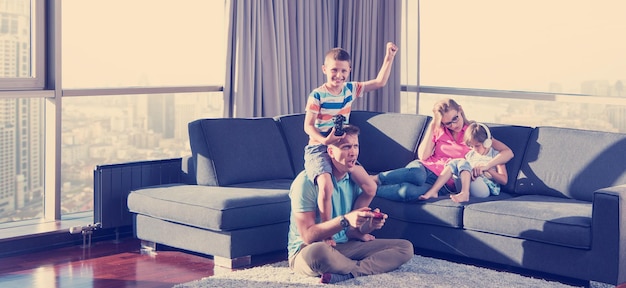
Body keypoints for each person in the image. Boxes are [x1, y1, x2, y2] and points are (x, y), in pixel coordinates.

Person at [288, 124, 414, 284]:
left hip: (344, 246)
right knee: (320, 252)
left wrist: (369, 224)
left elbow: (353, 232)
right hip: (306, 250)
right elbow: (308, 236)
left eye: (355, 146)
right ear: (331, 152)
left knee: (405, 248)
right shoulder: (306, 182)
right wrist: (345, 220)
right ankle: (359, 268)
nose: (353, 152)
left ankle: (348, 273)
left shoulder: (355, 181)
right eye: (347, 147)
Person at [304, 42, 398, 244]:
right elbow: (308, 126)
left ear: (349, 70)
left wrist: (389, 58)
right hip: (318, 146)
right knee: (326, 186)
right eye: (334, 70)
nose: (339, 75)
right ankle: (327, 233)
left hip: (341, 146)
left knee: (370, 187)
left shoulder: (350, 89)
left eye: (343, 71)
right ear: (324, 70)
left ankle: (353, 230)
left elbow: (380, 82)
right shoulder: (317, 94)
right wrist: (324, 140)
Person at [372, 98, 514, 202]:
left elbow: (507, 152)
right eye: (448, 123)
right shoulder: (439, 128)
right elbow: (423, 156)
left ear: (460, 110)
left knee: (408, 192)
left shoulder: (473, 132)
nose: (453, 125)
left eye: (455, 119)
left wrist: (487, 166)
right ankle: (375, 179)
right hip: (424, 169)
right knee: (417, 176)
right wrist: (434, 124)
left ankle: (368, 190)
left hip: (444, 182)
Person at [420, 122, 508, 203]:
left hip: (484, 189)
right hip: (468, 185)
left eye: (477, 146)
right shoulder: (470, 155)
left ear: (487, 142)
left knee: (461, 162)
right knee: (455, 162)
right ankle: (434, 191)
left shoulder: (496, 156)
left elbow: (504, 181)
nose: (475, 149)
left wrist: (488, 169)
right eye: (471, 146)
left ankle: (464, 194)